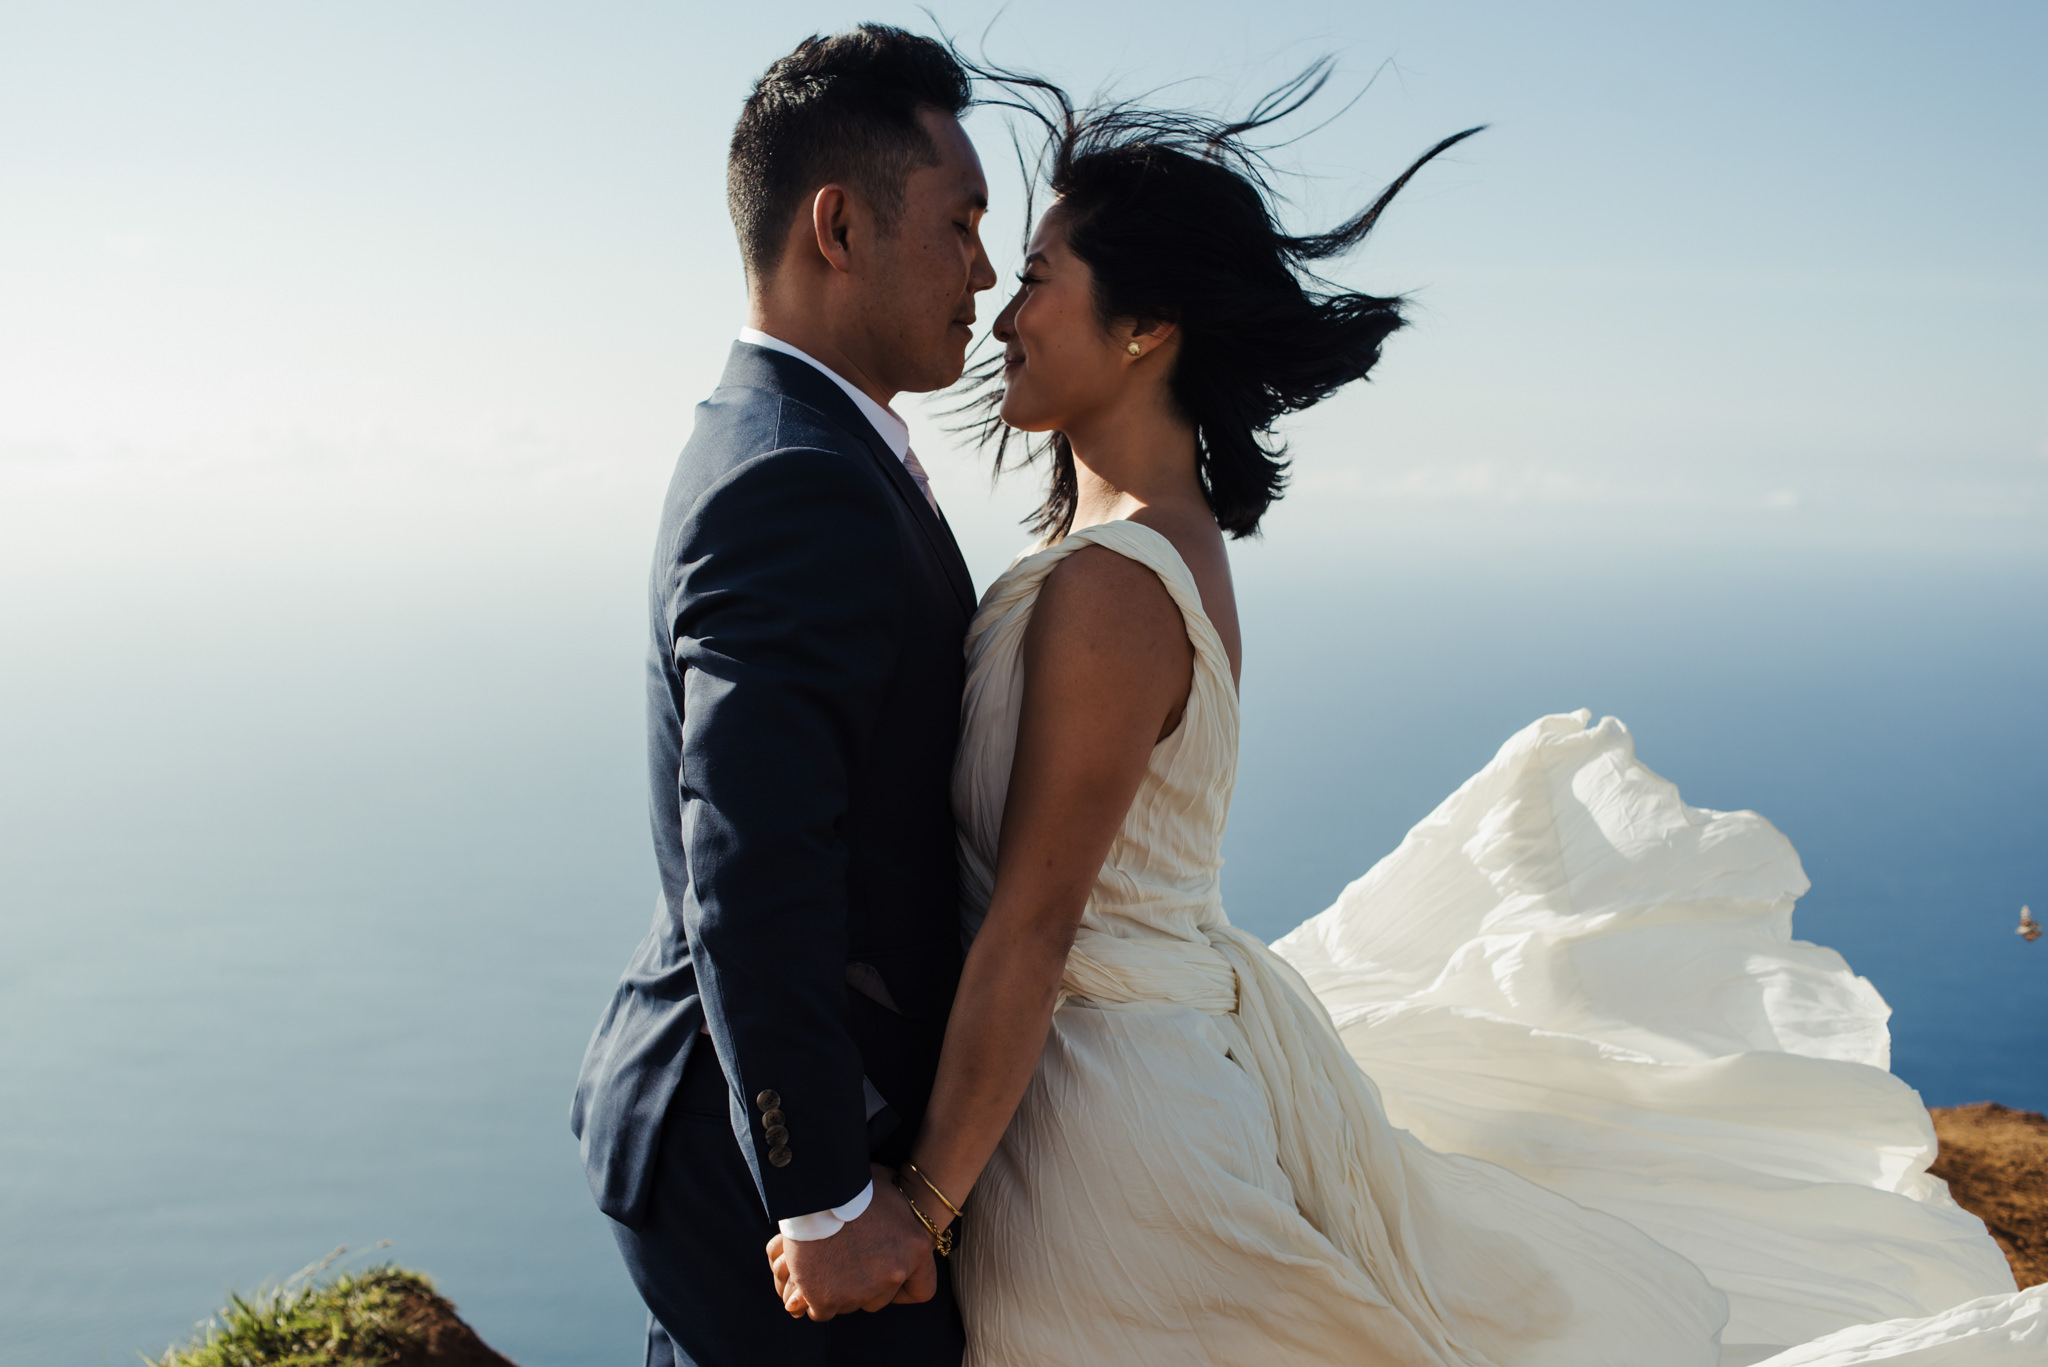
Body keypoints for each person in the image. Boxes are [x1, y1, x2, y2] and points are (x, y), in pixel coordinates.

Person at [773, 74, 2048, 1365]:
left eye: (1039, 274)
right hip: (1121, 1074)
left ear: (1146, 323)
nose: (1001, 309)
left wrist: (918, 1207)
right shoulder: (1157, 546)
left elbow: (1037, 924)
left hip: (1104, 1136)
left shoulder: (1112, 585)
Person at [570, 26, 996, 1367]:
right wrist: (822, 1195)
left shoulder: (792, 439)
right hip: (748, 1152)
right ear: (838, 225)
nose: (987, 267)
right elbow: (751, 854)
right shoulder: (793, 479)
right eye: (963, 219)